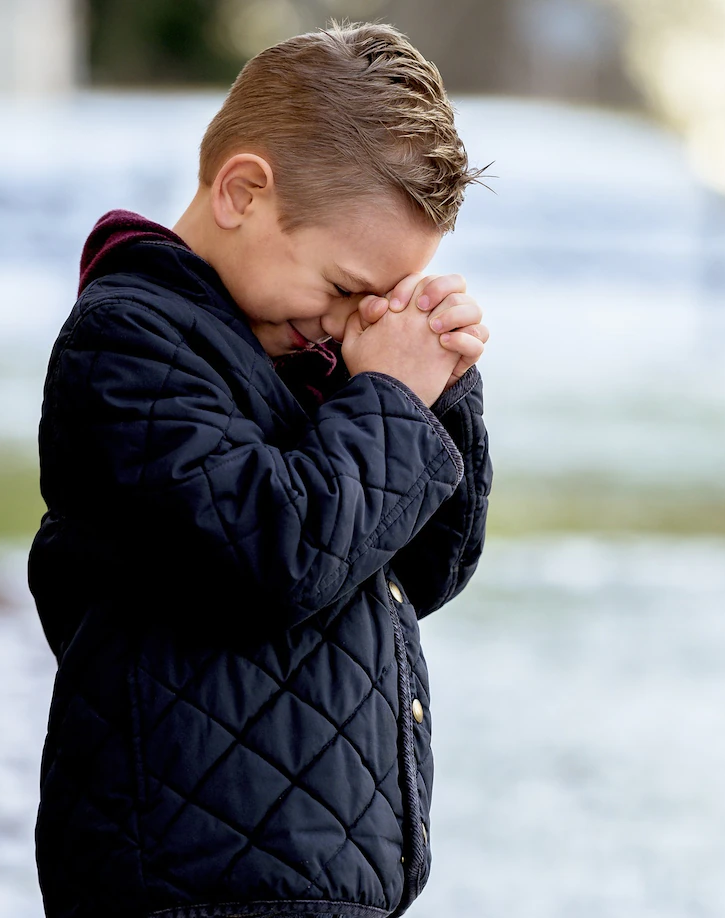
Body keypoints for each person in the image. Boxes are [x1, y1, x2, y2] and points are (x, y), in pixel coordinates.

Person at [27, 22, 492, 918]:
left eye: (387, 297)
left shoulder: (318, 368)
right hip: (186, 881)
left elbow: (423, 570)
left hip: (314, 876)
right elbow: (274, 554)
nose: (352, 319)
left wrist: (441, 386)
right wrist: (392, 397)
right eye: (346, 285)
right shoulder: (130, 343)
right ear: (243, 191)